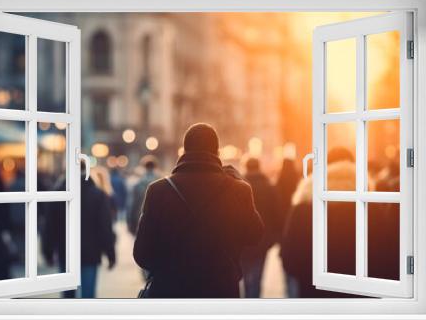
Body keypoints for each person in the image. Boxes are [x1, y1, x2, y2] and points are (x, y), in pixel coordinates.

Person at [133, 123, 264, 298]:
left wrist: (169, 267)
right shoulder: (238, 189)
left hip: (171, 292)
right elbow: (255, 235)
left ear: (184, 152)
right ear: (217, 152)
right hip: (220, 291)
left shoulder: (158, 190)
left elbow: (142, 254)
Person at [281, 147, 359, 298]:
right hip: (358, 295)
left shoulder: (304, 205)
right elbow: (386, 255)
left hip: (313, 293)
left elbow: (289, 257)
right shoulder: (370, 203)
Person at [42, 171, 116, 298]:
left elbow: (49, 226)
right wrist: (110, 253)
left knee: (68, 296)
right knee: (88, 296)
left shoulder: (58, 194)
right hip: (90, 253)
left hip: (66, 252)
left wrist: (47, 251)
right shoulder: (98, 195)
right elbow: (105, 227)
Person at [240, 157, 279, 298]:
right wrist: (274, 237)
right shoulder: (269, 186)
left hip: (242, 240)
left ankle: (246, 298)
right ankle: (254, 302)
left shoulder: (239, 185)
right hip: (263, 238)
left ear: (246, 167)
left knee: (244, 275)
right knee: (258, 276)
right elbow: (276, 213)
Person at [127, 155, 160, 235]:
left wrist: (130, 223)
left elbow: (132, 205)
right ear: (156, 167)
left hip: (141, 219)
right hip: (159, 220)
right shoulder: (162, 183)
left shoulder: (138, 184)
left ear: (144, 167)